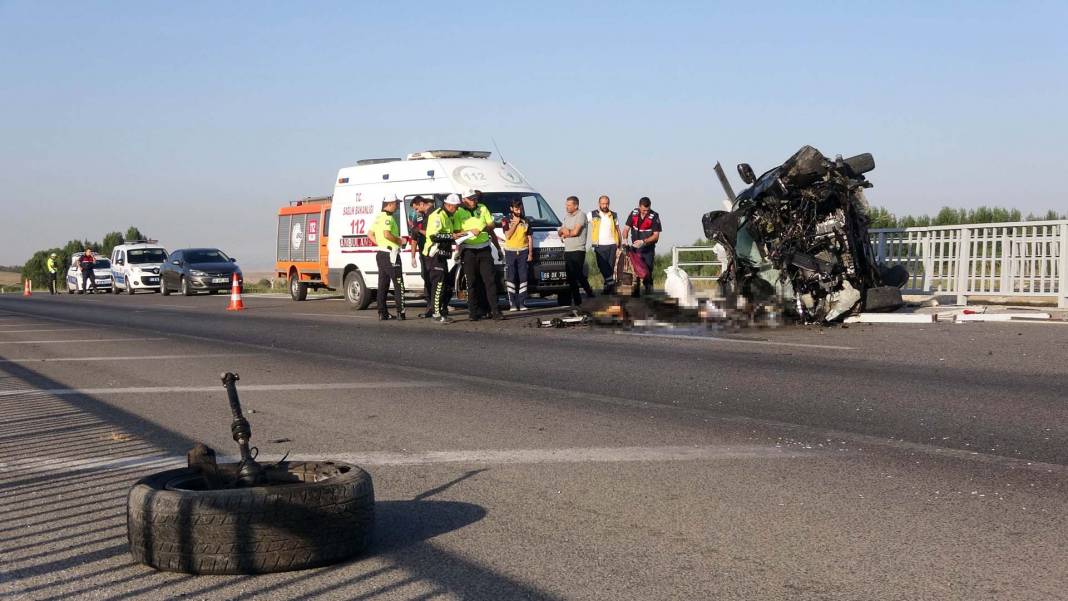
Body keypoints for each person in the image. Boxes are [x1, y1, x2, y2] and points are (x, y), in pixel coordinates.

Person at [453, 189, 503, 321]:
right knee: (472, 282)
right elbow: (456, 231)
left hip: (484, 249)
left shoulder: (482, 208)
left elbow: (491, 224)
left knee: (490, 281)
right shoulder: (458, 212)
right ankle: (473, 312)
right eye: (471, 198)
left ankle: (495, 311)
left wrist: (481, 228)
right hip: (468, 250)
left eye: (475, 198)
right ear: (464, 199)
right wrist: (469, 232)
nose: (474, 200)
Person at [424, 194, 461, 323]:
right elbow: (434, 236)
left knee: (444, 284)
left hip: (442, 255)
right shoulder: (437, 215)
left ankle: (442, 311)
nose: (456, 209)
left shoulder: (449, 216)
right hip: (434, 255)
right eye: (455, 207)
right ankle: (436, 314)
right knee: (438, 284)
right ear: (449, 205)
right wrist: (452, 236)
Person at [368, 194, 406, 320]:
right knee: (398, 283)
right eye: (396, 203)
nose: (398, 205)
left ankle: (382, 313)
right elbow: (387, 234)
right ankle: (401, 312)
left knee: (383, 284)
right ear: (389, 204)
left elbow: (369, 234)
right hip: (391, 254)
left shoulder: (379, 216)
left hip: (381, 253)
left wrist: (380, 244)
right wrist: (400, 241)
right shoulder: (387, 217)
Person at [621, 196, 662, 297]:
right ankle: (636, 290)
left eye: (647, 210)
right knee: (635, 270)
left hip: (648, 249)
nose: (645, 212)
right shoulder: (634, 213)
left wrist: (643, 241)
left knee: (647, 270)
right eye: (643, 210)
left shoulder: (654, 216)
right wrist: (625, 241)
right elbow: (626, 229)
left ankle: (648, 289)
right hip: (635, 249)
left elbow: (656, 236)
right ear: (639, 207)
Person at [558, 196, 595, 306]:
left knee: (578, 274)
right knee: (570, 277)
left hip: (578, 249)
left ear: (576, 205)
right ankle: (577, 301)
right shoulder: (567, 217)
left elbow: (576, 232)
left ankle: (589, 292)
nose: (567, 207)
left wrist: (566, 232)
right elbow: (560, 231)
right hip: (568, 250)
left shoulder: (581, 215)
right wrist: (564, 231)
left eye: (569, 205)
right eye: (566, 205)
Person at [502, 198, 533, 311]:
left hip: (523, 251)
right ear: (511, 209)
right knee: (511, 277)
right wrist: (515, 224)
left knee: (523, 277)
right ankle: (513, 303)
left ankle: (522, 302)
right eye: (516, 209)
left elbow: (529, 238)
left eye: (520, 209)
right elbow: (507, 235)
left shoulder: (526, 221)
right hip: (510, 251)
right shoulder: (506, 220)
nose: (518, 211)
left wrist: (530, 253)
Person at [407, 196, 435, 318]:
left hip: (433, 252)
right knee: (427, 279)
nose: (416, 211)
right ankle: (430, 306)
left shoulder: (433, 214)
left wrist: (418, 230)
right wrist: (412, 256)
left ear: (422, 204)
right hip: (423, 253)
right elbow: (414, 238)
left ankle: (437, 306)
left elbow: (430, 232)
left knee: (435, 279)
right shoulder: (418, 217)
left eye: (417, 208)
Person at [588, 195, 621, 295]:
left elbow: (618, 229)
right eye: (603, 203)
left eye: (606, 203)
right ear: (599, 204)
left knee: (610, 267)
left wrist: (620, 243)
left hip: (612, 244)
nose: (605, 205)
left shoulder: (614, 215)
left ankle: (607, 288)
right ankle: (611, 283)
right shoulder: (592, 214)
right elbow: (582, 223)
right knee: (602, 266)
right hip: (599, 245)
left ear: (609, 204)